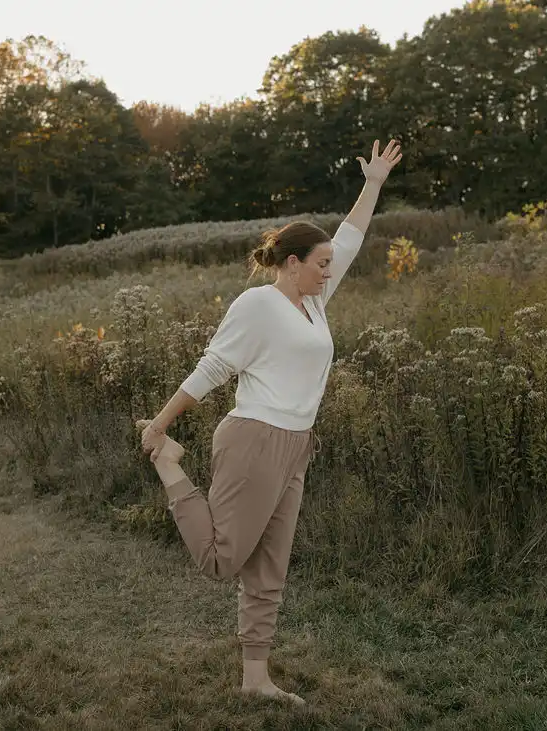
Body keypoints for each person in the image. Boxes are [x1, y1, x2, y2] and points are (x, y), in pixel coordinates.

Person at [136, 139, 403, 705]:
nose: (330, 272)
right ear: (292, 263)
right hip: (254, 440)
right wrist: (159, 426)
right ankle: (169, 465)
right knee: (222, 561)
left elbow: (349, 238)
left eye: (329, 265)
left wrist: (373, 183)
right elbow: (213, 367)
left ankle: (255, 679)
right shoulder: (257, 305)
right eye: (321, 264)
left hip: (296, 444)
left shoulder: (315, 302)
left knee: (269, 567)